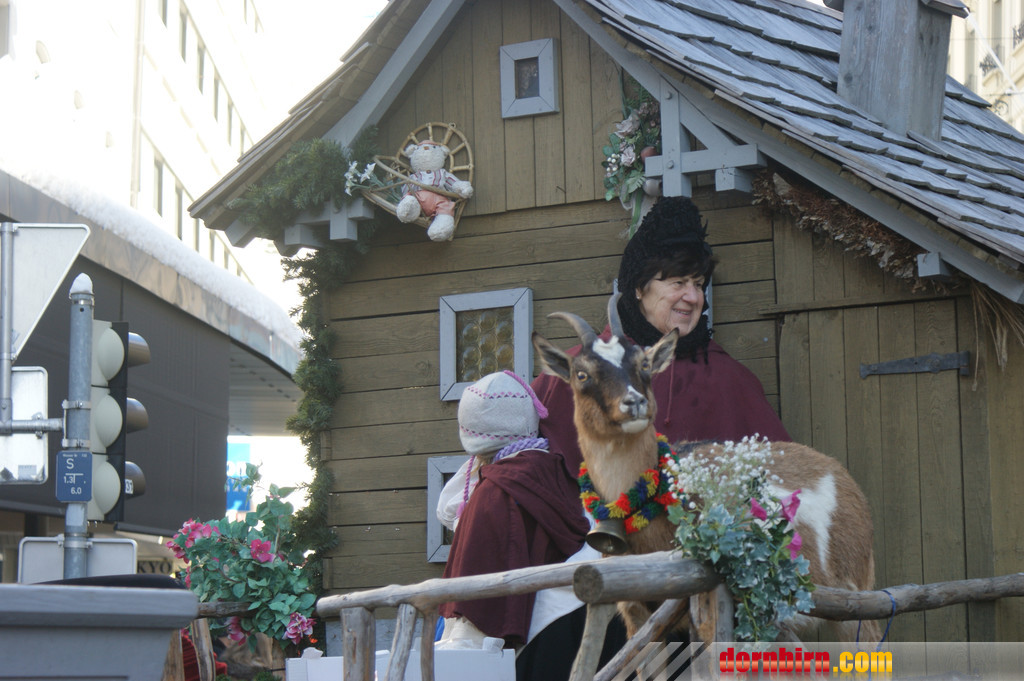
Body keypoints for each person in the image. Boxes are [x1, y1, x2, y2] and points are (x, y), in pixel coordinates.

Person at [440, 196, 791, 680]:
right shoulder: (584, 369)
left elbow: (775, 486)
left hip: (686, 582)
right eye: (677, 282)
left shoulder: (730, 382)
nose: (692, 296)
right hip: (582, 571)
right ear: (640, 288)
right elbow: (525, 453)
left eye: (699, 284)